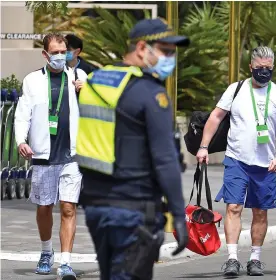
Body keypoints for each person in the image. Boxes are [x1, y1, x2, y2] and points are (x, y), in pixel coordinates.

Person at [76, 18, 190, 280]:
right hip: (134, 210)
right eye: (165, 51)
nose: (170, 58)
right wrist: (179, 217)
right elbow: (165, 161)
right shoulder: (150, 93)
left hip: (96, 206)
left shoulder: (95, 82)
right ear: (141, 48)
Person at [196, 46, 276, 277]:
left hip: (266, 164)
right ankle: (231, 259)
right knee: (233, 207)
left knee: (260, 212)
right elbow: (216, 117)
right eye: (259, 68)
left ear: (273, 68)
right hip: (237, 159)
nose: (263, 72)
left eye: (268, 68)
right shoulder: (236, 90)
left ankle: (255, 259)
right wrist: (203, 146)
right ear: (250, 67)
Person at [14, 33, 88, 279]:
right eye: (54, 52)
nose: (60, 56)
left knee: (68, 207)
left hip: (72, 155)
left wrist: (86, 93)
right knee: (44, 207)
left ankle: (65, 263)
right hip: (44, 154)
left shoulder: (78, 77)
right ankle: (47, 251)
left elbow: (97, 109)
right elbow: (22, 113)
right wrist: (21, 141)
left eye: (63, 51)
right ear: (45, 54)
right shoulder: (32, 80)